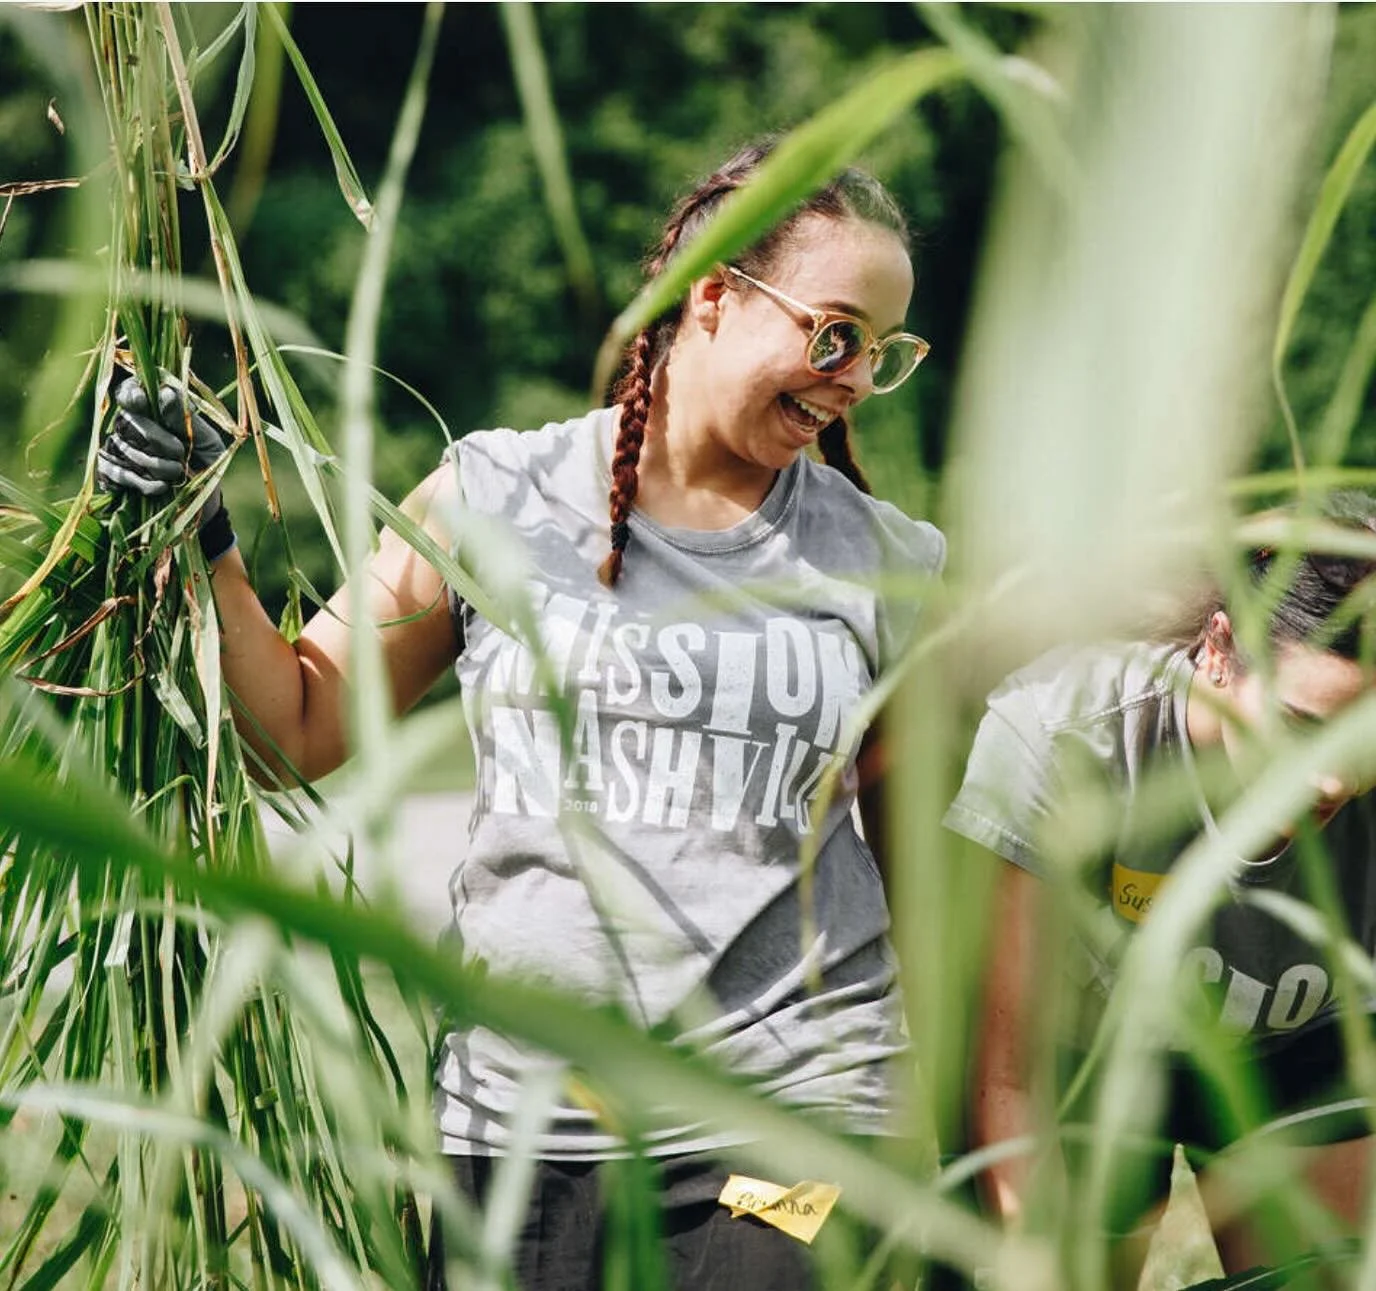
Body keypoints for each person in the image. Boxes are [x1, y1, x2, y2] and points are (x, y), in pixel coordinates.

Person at [97, 138, 946, 1289]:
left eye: (881, 353)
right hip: (523, 1134)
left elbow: (921, 878)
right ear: (711, 295)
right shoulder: (495, 498)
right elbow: (292, 729)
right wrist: (202, 539)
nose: (852, 379)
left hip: (798, 1111)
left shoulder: (887, 562)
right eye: (835, 334)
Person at [943, 491, 1376, 1273]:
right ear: (1220, 649)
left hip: (1298, 1050)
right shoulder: (1061, 732)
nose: (1333, 782)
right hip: (1087, 1056)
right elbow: (1010, 1071)